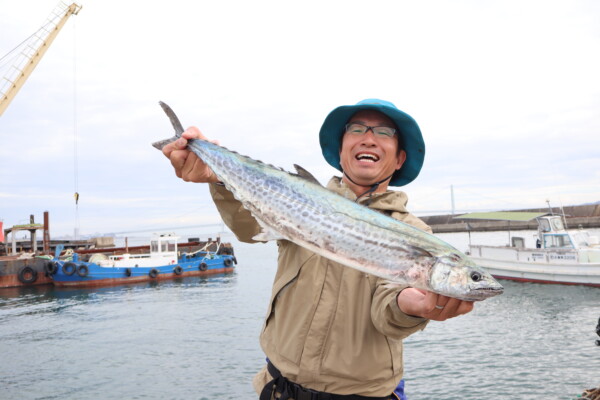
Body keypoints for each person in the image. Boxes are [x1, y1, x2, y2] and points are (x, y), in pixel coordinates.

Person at [163, 99, 475, 399]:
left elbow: (388, 310)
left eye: (384, 132)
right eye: (356, 129)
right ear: (340, 152)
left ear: (399, 159)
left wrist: (411, 307)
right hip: (278, 390)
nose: (369, 139)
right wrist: (217, 180)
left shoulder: (417, 234)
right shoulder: (296, 199)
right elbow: (250, 227)